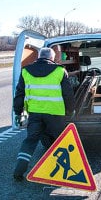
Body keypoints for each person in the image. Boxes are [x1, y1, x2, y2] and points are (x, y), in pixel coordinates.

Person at [13, 47, 75, 181]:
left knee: (30, 141)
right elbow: (68, 94)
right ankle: (64, 172)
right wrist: (70, 110)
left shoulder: (25, 71)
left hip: (35, 114)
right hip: (55, 114)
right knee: (61, 142)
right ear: (52, 58)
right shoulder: (60, 71)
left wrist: (17, 112)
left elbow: (19, 94)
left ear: (38, 57)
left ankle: (19, 171)